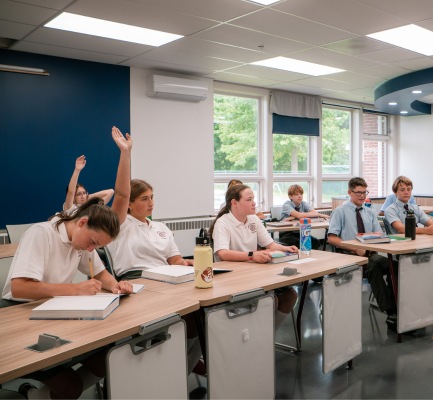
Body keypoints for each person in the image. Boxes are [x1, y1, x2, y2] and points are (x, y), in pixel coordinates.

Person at [1, 126, 133, 399]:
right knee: (70, 385)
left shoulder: (83, 241)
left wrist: (116, 286)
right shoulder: (42, 234)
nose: (93, 248)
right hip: (21, 316)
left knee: (105, 358)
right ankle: (31, 394)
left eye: (98, 246)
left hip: (53, 313)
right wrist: (74, 289)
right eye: (94, 241)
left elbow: (102, 273)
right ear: (82, 221)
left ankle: (37, 394)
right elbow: (20, 288)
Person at [106, 178, 206, 378]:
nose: (151, 203)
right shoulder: (121, 225)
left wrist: (186, 263)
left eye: (152, 197)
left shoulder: (161, 227)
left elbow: (174, 259)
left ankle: (181, 369)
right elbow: (121, 194)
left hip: (167, 278)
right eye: (144, 198)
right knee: (191, 319)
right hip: (137, 280)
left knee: (204, 316)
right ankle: (175, 368)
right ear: (130, 204)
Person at [209, 184, 299, 331]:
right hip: (231, 278)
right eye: (249, 199)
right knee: (271, 300)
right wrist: (251, 255)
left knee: (290, 295)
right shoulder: (223, 223)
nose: (254, 203)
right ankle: (258, 336)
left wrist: (286, 248)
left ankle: (268, 335)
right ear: (234, 203)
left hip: (253, 273)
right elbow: (222, 253)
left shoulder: (253, 219)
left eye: (253, 199)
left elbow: (269, 244)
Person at [384, 175, 433, 312]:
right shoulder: (390, 209)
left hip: (421, 247)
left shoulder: (415, 208)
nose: (406, 192)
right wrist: (426, 230)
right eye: (402, 189)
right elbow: (401, 228)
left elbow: (430, 222)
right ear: (395, 192)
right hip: (404, 251)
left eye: (408, 189)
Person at [327, 177, 397, 329]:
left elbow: (379, 234)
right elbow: (332, 238)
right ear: (349, 192)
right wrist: (354, 248)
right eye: (358, 192)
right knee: (373, 268)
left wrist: (377, 243)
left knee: (396, 265)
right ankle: (391, 311)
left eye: (364, 192)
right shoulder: (340, 211)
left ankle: (397, 303)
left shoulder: (370, 212)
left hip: (370, 254)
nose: (361, 196)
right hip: (349, 255)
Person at [278, 184, 329, 250]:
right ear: (290, 196)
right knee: (297, 243)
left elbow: (314, 213)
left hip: (299, 232)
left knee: (315, 242)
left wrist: (294, 217)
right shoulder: (287, 205)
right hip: (287, 233)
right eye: (296, 194)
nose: (300, 196)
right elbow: (299, 215)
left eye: (301, 194)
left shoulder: (303, 203)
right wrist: (319, 215)